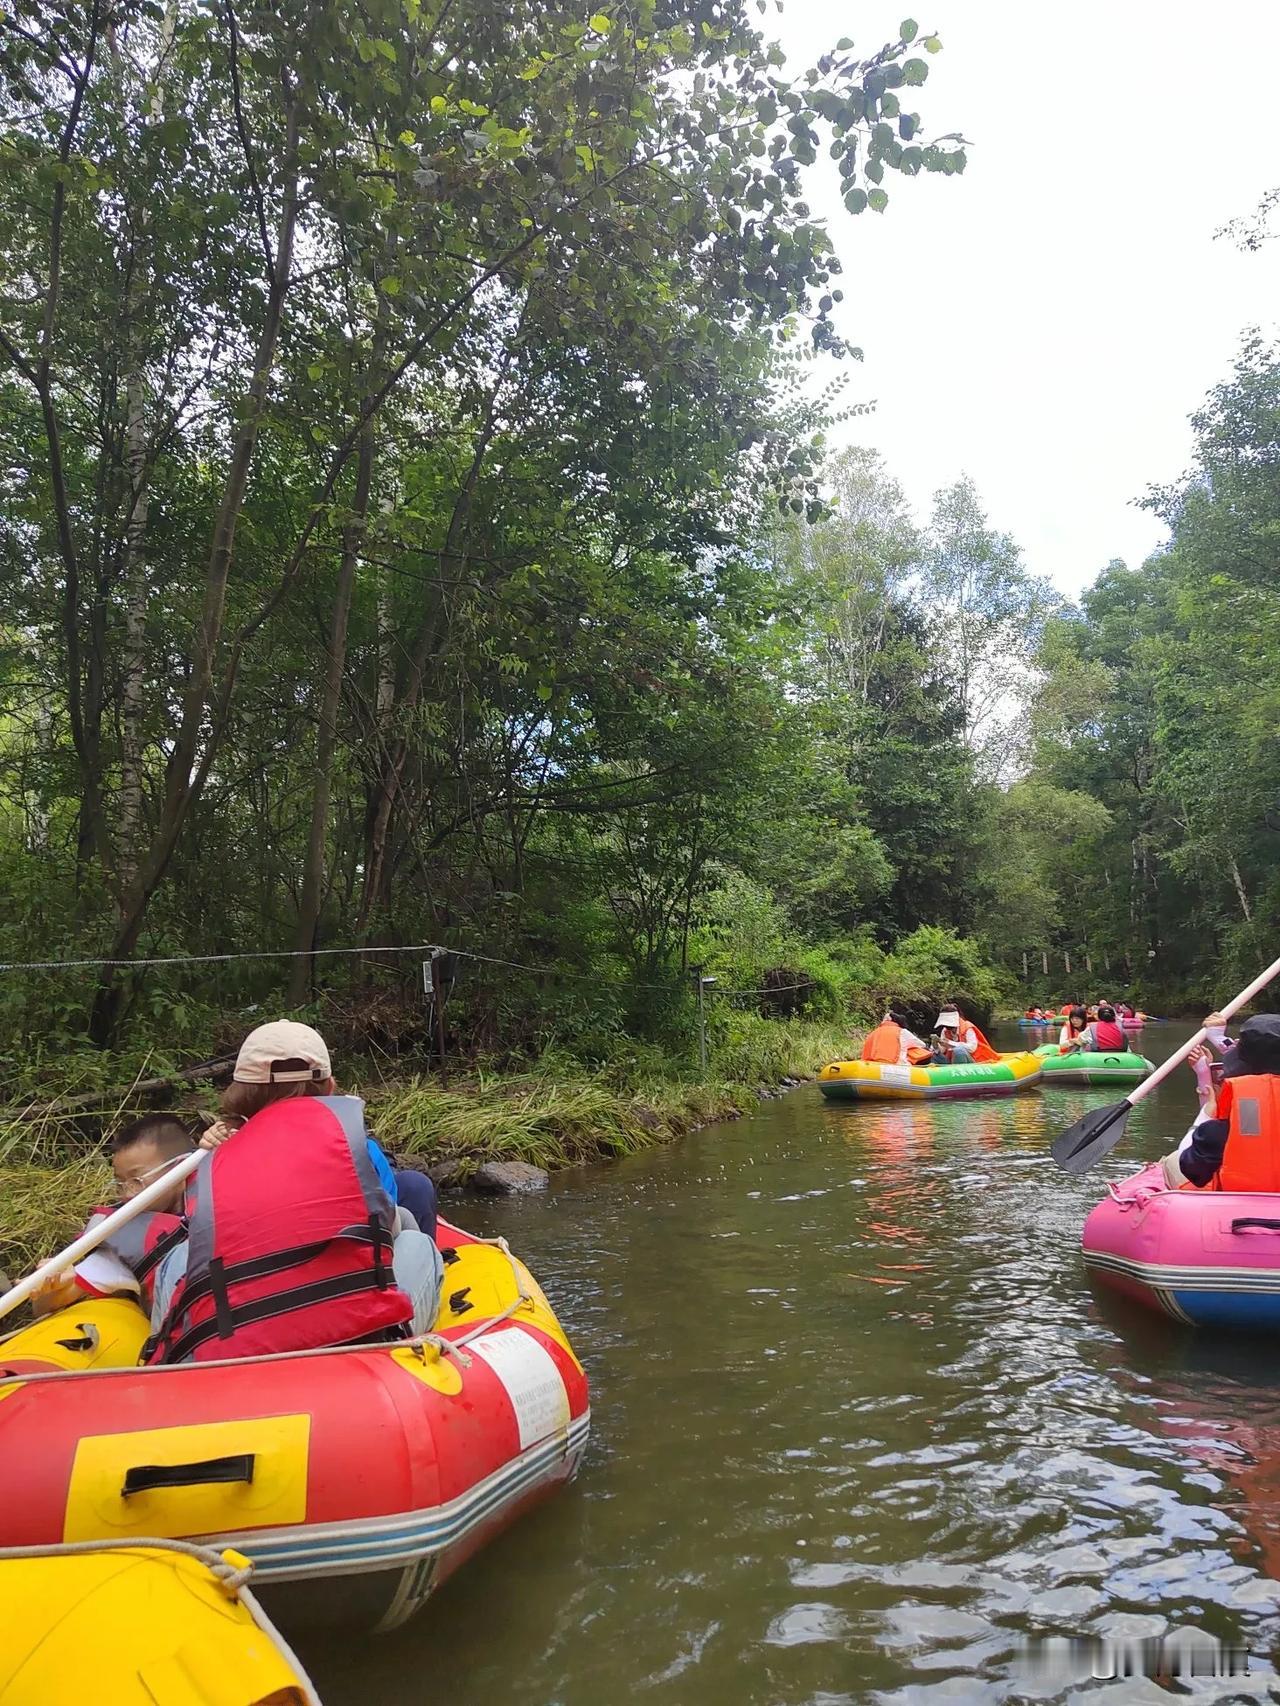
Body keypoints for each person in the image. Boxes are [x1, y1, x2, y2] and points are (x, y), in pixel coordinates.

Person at [30, 1113, 195, 1318]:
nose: (127, 1193)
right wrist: (49, 1290)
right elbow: (47, 1306)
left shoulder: (223, 1190)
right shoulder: (123, 1232)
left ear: (180, 1167)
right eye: (119, 1182)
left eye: (136, 1180)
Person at [1161, 1014, 1280, 1190]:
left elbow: (1191, 1169)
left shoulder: (1228, 1123)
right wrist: (1218, 1039)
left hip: (1238, 1205)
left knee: (1172, 1161)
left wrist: (1206, 1114)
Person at [860, 1010, 931, 1066]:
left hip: (871, 1066)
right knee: (919, 1050)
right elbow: (922, 1045)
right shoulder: (902, 1032)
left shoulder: (874, 1032)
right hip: (897, 1066)